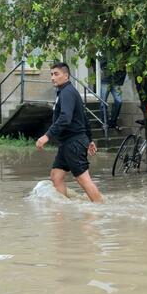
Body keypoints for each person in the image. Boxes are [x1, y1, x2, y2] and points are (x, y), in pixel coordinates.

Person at [36, 62, 104, 203]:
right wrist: (90, 139)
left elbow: (65, 118)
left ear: (66, 76)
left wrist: (47, 135)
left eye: (56, 74)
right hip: (67, 143)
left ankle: (101, 209)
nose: (53, 78)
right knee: (56, 176)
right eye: (51, 74)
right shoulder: (66, 92)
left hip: (74, 143)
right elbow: (84, 117)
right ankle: (62, 212)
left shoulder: (67, 93)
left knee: (83, 179)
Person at [99, 60, 126, 130]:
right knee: (103, 103)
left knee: (119, 101)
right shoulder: (108, 51)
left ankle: (112, 122)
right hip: (106, 81)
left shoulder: (122, 53)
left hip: (116, 82)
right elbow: (102, 63)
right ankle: (104, 123)